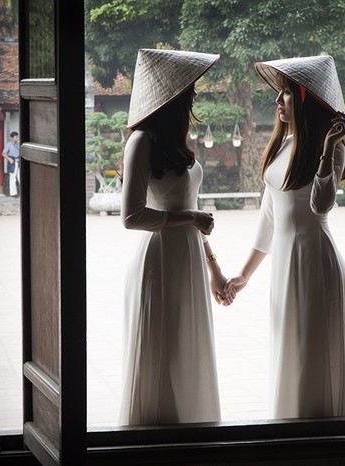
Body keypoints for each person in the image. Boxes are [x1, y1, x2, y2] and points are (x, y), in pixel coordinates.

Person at [225, 55, 345, 419]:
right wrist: (243, 276)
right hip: (285, 264)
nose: (278, 102)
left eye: (285, 94)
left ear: (303, 101)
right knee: (290, 351)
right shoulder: (283, 146)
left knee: (311, 353)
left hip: (314, 259)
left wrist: (329, 149)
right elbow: (269, 218)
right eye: (280, 94)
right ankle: (290, 430)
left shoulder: (332, 150)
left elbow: (320, 206)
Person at [119, 48, 233, 426]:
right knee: (162, 350)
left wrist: (214, 267)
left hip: (188, 259)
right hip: (160, 259)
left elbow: (194, 214)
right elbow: (131, 216)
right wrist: (188, 216)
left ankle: (192, 431)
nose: (195, 98)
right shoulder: (141, 142)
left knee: (187, 349)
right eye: (190, 92)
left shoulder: (176, 143)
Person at [2, 131, 20, 198]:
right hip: (12, 162)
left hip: (19, 162)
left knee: (20, 177)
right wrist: (9, 159)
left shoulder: (19, 144)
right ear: (12, 138)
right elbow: (3, 153)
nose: (17, 138)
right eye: (15, 137)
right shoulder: (8, 145)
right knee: (12, 178)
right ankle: (13, 193)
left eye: (17, 137)